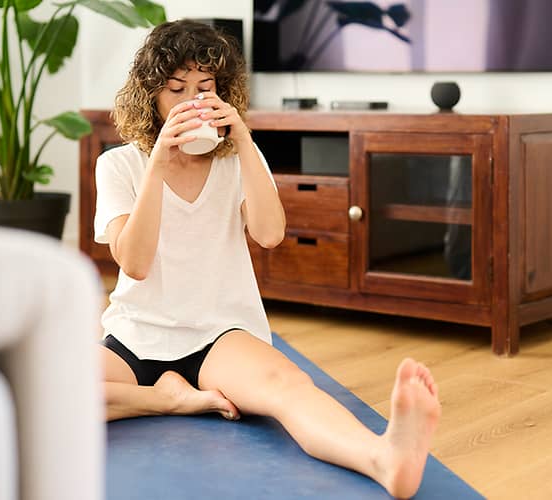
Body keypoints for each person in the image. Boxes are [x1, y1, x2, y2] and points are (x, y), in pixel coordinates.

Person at [93, 20, 441, 498]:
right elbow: (134, 263)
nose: (193, 101)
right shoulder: (119, 164)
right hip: (137, 334)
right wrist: (159, 162)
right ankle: (165, 399)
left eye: (205, 87)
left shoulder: (238, 159)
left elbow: (271, 234)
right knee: (51, 388)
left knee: (287, 385)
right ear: (151, 95)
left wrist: (242, 137)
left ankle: (384, 458)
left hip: (218, 332)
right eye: (176, 89)